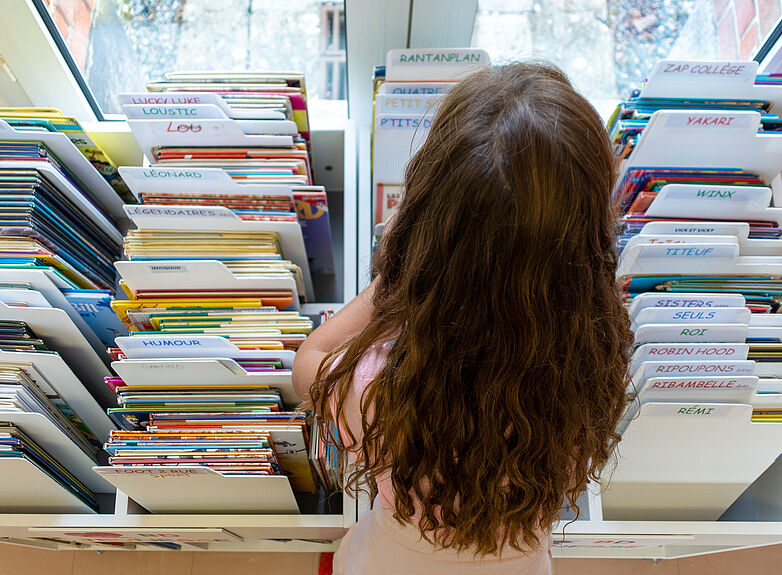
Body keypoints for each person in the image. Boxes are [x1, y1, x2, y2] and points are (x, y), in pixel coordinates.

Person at [292, 61, 632, 574]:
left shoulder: (377, 386)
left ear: (427, 232)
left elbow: (308, 364)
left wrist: (396, 276)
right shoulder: (594, 360)